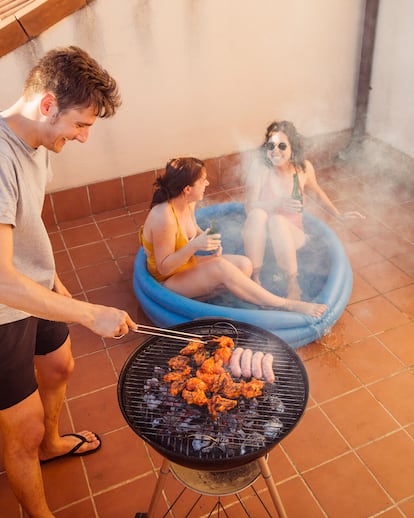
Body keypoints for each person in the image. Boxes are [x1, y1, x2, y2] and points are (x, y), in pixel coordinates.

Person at [0, 46, 138, 518]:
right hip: (2, 309)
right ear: (46, 105)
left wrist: (55, 281)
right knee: (23, 431)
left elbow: (26, 226)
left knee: (60, 368)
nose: (82, 138)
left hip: (33, 288)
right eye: (80, 125)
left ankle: (53, 444)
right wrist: (88, 313)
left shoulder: (37, 143)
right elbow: (2, 283)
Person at [140, 156, 327, 319]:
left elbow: (193, 228)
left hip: (186, 265)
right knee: (221, 267)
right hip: (168, 281)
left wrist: (206, 238)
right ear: (187, 189)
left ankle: (216, 296)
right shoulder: (164, 217)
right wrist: (195, 246)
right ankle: (285, 304)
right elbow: (164, 268)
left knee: (244, 265)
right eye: (203, 180)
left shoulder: (188, 202)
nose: (207, 183)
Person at [243, 120, 365, 299]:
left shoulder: (303, 169)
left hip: (292, 235)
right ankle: (255, 279)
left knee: (277, 221)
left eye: (282, 146)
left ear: (293, 147)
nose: (275, 151)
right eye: (271, 145)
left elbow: (317, 193)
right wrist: (276, 204)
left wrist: (338, 215)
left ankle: (292, 283)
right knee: (257, 213)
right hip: (262, 238)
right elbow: (249, 206)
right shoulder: (260, 168)